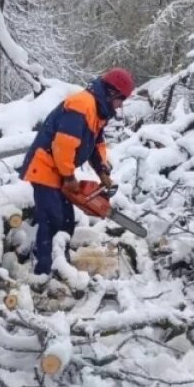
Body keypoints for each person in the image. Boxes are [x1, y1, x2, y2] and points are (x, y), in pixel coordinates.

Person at [20, 68, 134, 278]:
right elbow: (63, 145)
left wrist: (103, 172)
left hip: (58, 170)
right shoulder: (82, 105)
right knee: (52, 220)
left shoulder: (97, 111)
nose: (120, 105)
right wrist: (69, 177)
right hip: (45, 167)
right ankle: (43, 271)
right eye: (120, 99)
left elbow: (95, 144)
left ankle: (59, 261)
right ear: (111, 93)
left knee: (65, 220)